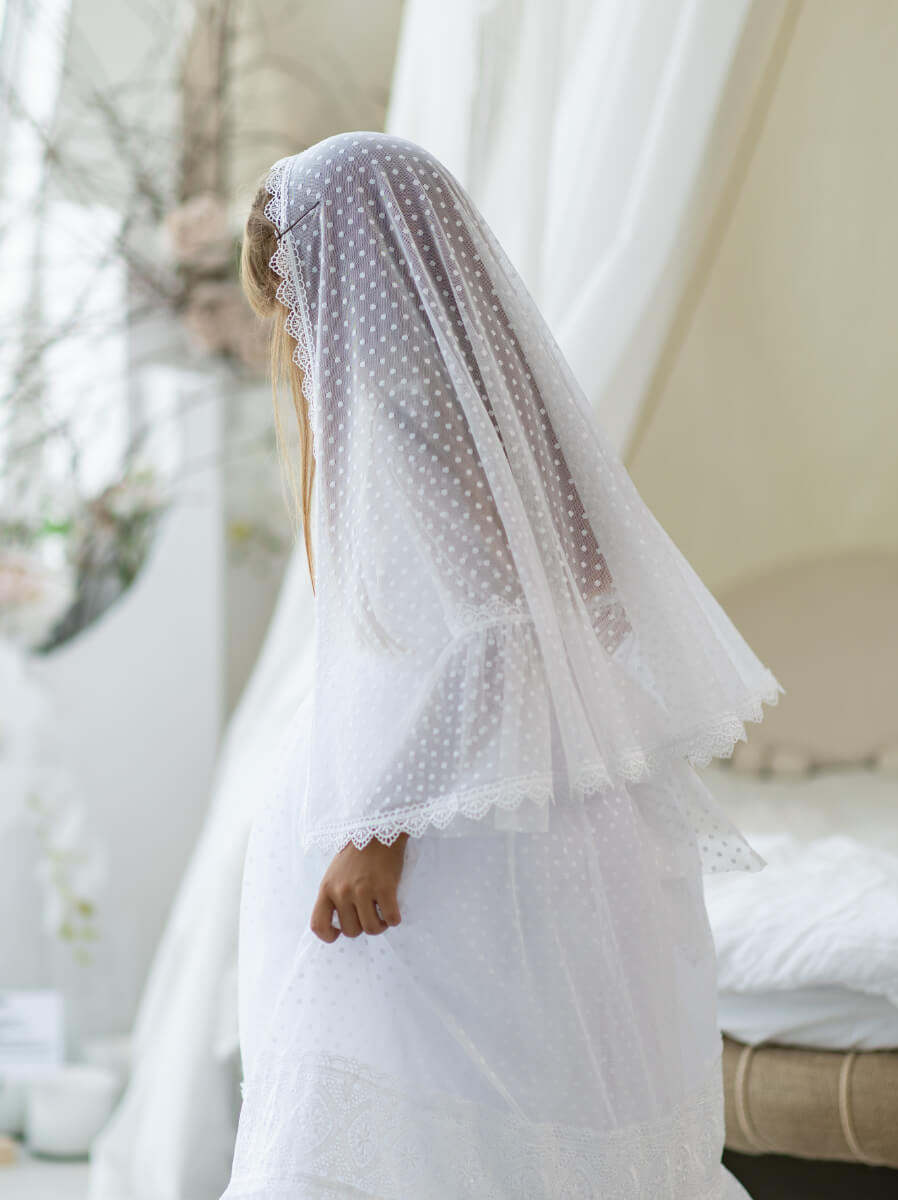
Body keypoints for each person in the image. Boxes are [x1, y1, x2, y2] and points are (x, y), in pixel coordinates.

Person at [224, 130, 780, 1199]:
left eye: (293, 309)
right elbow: (585, 600)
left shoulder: (405, 413)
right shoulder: (505, 400)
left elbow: (502, 632)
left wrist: (376, 831)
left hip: (454, 837)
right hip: (551, 806)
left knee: (430, 1138)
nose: (296, 342)